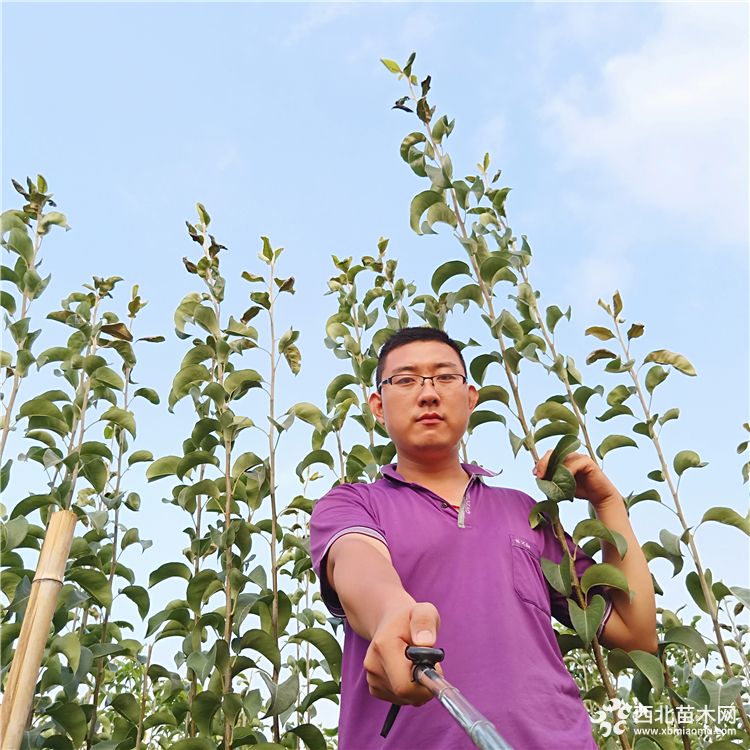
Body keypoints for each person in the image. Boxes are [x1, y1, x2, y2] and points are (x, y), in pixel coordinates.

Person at [310, 326, 657, 750]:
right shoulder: (352, 503)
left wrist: (608, 503)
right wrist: (391, 616)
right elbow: (358, 563)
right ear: (378, 407)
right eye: (406, 380)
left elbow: (635, 632)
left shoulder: (524, 511)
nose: (428, 393)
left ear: (470, 399)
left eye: (444, 377)